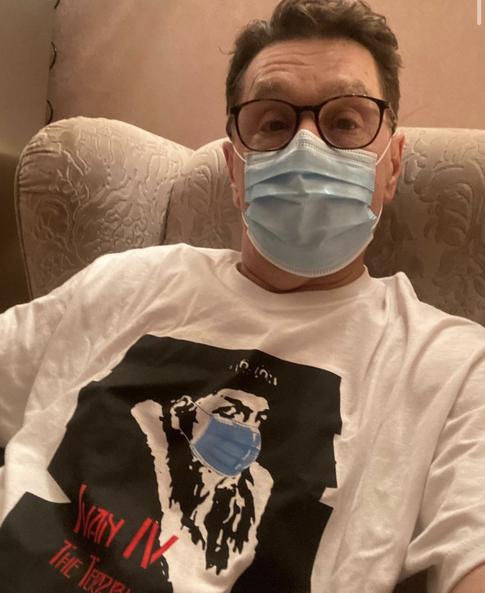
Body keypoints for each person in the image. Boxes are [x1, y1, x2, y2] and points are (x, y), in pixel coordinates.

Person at [0, 0, 484, 592]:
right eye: (273, 123)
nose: (307, 146)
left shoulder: (453, 367)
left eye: (345, 122)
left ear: (392, 165)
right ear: (235, 170)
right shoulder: (125, 281)